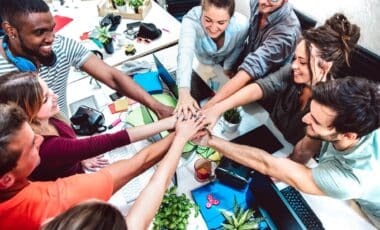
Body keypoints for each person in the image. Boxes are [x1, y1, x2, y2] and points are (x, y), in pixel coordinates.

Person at [196, 77, 380, 228]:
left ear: (348, 136)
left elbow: (268, 164)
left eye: (316, 121)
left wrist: (210, 141)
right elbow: (301, 152)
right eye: (311, 111)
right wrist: (290, 166)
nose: (306, 119)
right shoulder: (364, 107)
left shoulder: (350, 180)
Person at [0, 103, 205, 230]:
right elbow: (143, 169)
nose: (40, 139)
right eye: (31, 145)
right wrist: (181, 136)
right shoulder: (54, 200)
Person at [202, 13, 360, 144]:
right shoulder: (292, 73)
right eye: (295, 59)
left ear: (325, 66)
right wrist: (217, 109)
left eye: (302, 62)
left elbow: (305, 151)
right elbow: (260, 87)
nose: (294, 66)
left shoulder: (330, 106)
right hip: (266, 134)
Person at [0, 0, 173, 118]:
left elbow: (112, 76)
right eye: (39, 32)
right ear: (10, 30)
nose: (51, 38)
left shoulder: (61, 46)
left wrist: (157, 107)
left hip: (64, 134)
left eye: (52, 29)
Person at [0, 71, 177, 181]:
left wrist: (78, 156)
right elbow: (113, 140)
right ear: (26, 112)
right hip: (70, 189)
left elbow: (71, 147)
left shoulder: (50, 119)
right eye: (45, 98)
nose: (54, 96)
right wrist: (168, 123)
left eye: (49, 90)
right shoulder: (45, 146)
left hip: (76, 171)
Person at [204, 0, 301, 109]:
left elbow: (255, 64)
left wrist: (211, 106)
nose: (264, 2)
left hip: (263, 89)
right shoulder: (256, 2)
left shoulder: (287, 32)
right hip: (243, 69)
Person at [175, 0, 249, 116]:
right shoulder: (191, 20)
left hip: (224, 65)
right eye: (208, 20)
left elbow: (238, 47)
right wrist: (184, 93)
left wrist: (227, 67)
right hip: (202, 63)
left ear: (231, 18)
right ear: (202, 11)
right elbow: (185, 52)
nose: (214, 28)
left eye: (221, 22)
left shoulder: (242, 25)